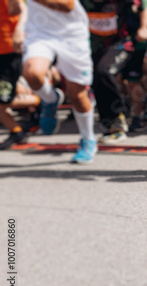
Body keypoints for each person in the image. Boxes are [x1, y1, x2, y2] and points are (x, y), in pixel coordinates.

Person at [21, 0, 97, 163]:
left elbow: (67, 5)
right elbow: (16, 7)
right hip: (39, 32)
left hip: (72, 34)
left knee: (77, 94)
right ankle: (51, 99)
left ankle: (88, 138)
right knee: (32, 73)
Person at [81, 0, 147, 142]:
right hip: (93, 43)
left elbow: (142, 5)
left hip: (121, 42)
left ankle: (120, 116)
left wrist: (144, 27)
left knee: (104, 71)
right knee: (95, 78)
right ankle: (109, 125)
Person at [0, 0, 27, 150]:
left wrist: (19, 29)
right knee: (6, 96)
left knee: (3, 100)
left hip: (9, 51)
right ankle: (17, 131)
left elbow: (23, 9)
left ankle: (41, 101)